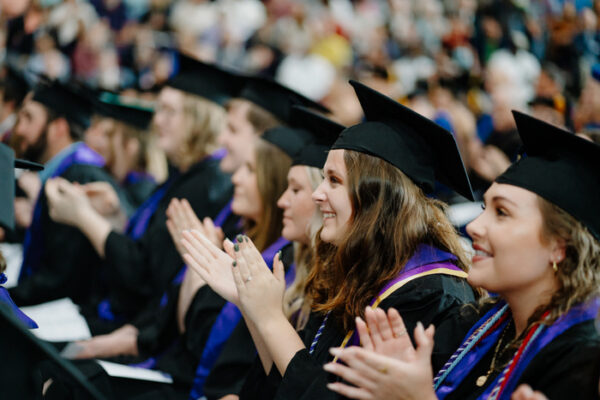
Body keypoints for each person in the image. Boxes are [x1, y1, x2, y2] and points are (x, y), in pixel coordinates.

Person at [186, 80, 476, 400]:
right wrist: (253, 306)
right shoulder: (359, 266)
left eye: (334, 180)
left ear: (377, 196)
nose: (317, 194)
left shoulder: (430, 293)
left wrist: (269, 317)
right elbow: (293, 377)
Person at [324, 112, 600, 400]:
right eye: (484, 209)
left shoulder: (583, 363)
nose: (474, 227)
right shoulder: (473, 324)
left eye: (502, 213)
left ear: (559, 245)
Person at [45, 54, 238, 332]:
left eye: (169, 111)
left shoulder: (205, 186)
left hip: (134, 329)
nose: (156, 120)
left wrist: (84, 217)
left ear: (199, 119)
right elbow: (150, 249)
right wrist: (116, 217)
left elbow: (142, 276)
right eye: (158, 109)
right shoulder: (185, 174)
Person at [8, 78, 127, 307]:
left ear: (59, 129)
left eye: (29, 118)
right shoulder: (67, 170)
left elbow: (60, 279)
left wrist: (7, 298)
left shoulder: (78, 180)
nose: (19, 128)